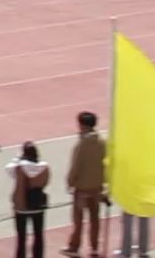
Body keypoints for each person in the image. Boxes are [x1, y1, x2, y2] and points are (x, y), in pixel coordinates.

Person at [64, 110, 106, 258]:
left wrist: (70, 181)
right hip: (96, 186)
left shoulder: (82, 144)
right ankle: (94, 247)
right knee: (95, 219)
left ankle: (74, 247)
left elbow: (76, 165)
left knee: (78, 220)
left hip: (82, 187)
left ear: (82, 125)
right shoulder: (102, 143)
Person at [6, 141, 51, 258]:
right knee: (38, 235)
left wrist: (19, 158)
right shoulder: (45, 168)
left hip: (22, 207)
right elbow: (46, 182)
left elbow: (9, 169)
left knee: (21, 237)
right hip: (38, 206)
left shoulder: (19, 168)